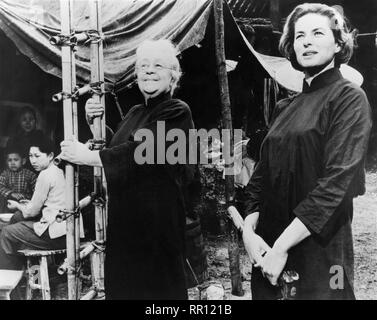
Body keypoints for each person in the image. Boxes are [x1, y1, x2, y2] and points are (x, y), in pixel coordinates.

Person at [242, 3, 372, 300]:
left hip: (319, 250)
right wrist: (250, 232)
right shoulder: (284, 107)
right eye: (299, 36)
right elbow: (261, 174)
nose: (307, 41)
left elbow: (335, 186)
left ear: (339, 43)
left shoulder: (348, 98)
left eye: (317, 33)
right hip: (269, 249)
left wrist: (281, 247)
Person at [60, 39, 196, 299]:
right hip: (125, 224)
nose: (148, 70)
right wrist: (94, 124)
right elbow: (118, 147)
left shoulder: (177, 111)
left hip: (157, 228)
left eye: (158, 65)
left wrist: (86, 155)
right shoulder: (135, 112)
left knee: (156, 294)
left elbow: (141, 153)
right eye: (143, 65)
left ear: (173, 76)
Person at [0, 137, 69, 270]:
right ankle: (31, 274)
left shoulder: (45, 175)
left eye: (37, 156)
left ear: (50, 156)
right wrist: (30, 203)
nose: (33, 160)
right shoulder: (58, 171)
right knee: (17, 220)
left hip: (55, 235)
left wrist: (17, 205)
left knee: (7, 232)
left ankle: (13, 277)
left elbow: (31, 212)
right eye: (31, 156)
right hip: (66, 231)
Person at [6, 106, 45, 171]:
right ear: (19, 122)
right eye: (24, 120)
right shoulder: (13, 140)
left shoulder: (41, 138)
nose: (28, 123)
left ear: (35, 121)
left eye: (31, 119)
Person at [0, 145, 36, 213]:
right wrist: (11, 193)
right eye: (10, 160)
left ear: (23, 161)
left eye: (16, 160)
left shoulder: (30, 174)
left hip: (25, 203)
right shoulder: (5, 174)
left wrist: (27, 197)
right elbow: (0, 186)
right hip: (9, 202)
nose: (12, 163)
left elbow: (36, 190)